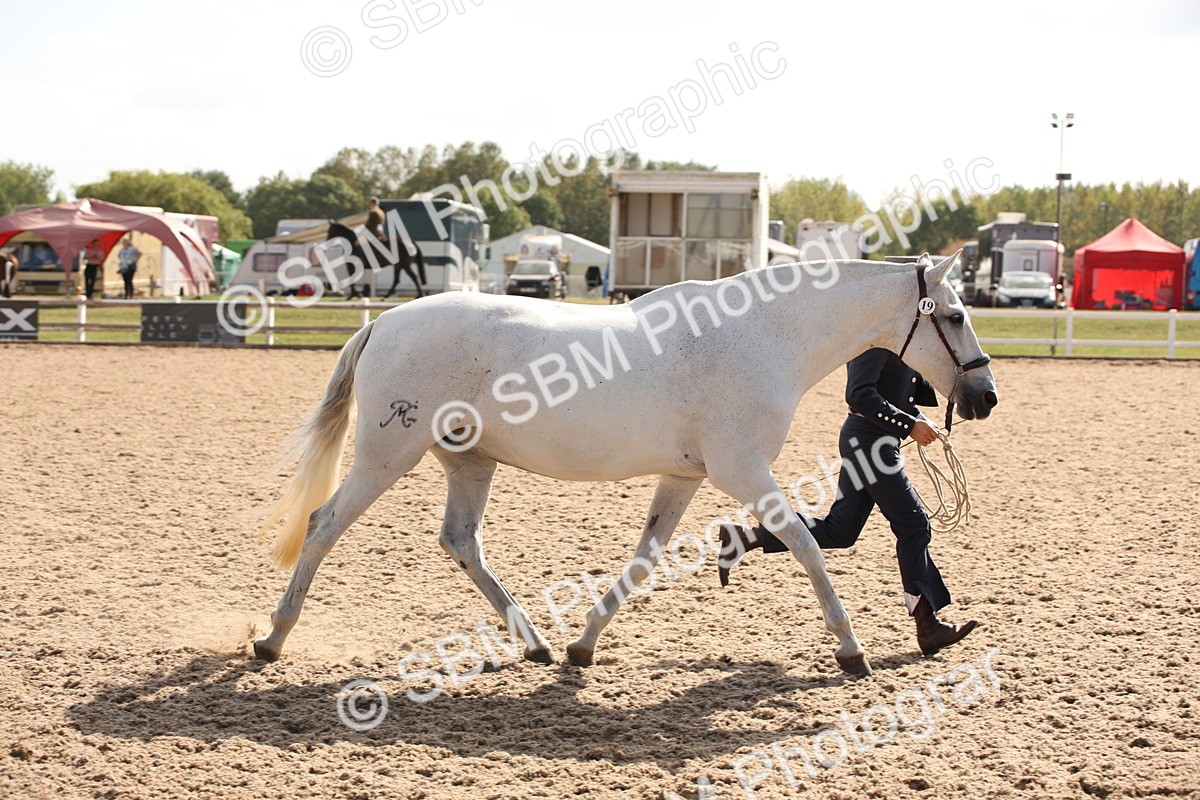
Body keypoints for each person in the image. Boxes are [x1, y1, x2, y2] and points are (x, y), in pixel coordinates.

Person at [717, 347, 978, 656]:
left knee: (841, 530)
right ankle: (928, 626)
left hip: (875, 441)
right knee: (914, 526)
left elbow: (891, 396)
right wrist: (910, 426)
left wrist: (920, 421)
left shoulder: (899, 337)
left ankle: (746, 537)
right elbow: (859, 395)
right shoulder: (874, 341)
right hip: (869, 444)